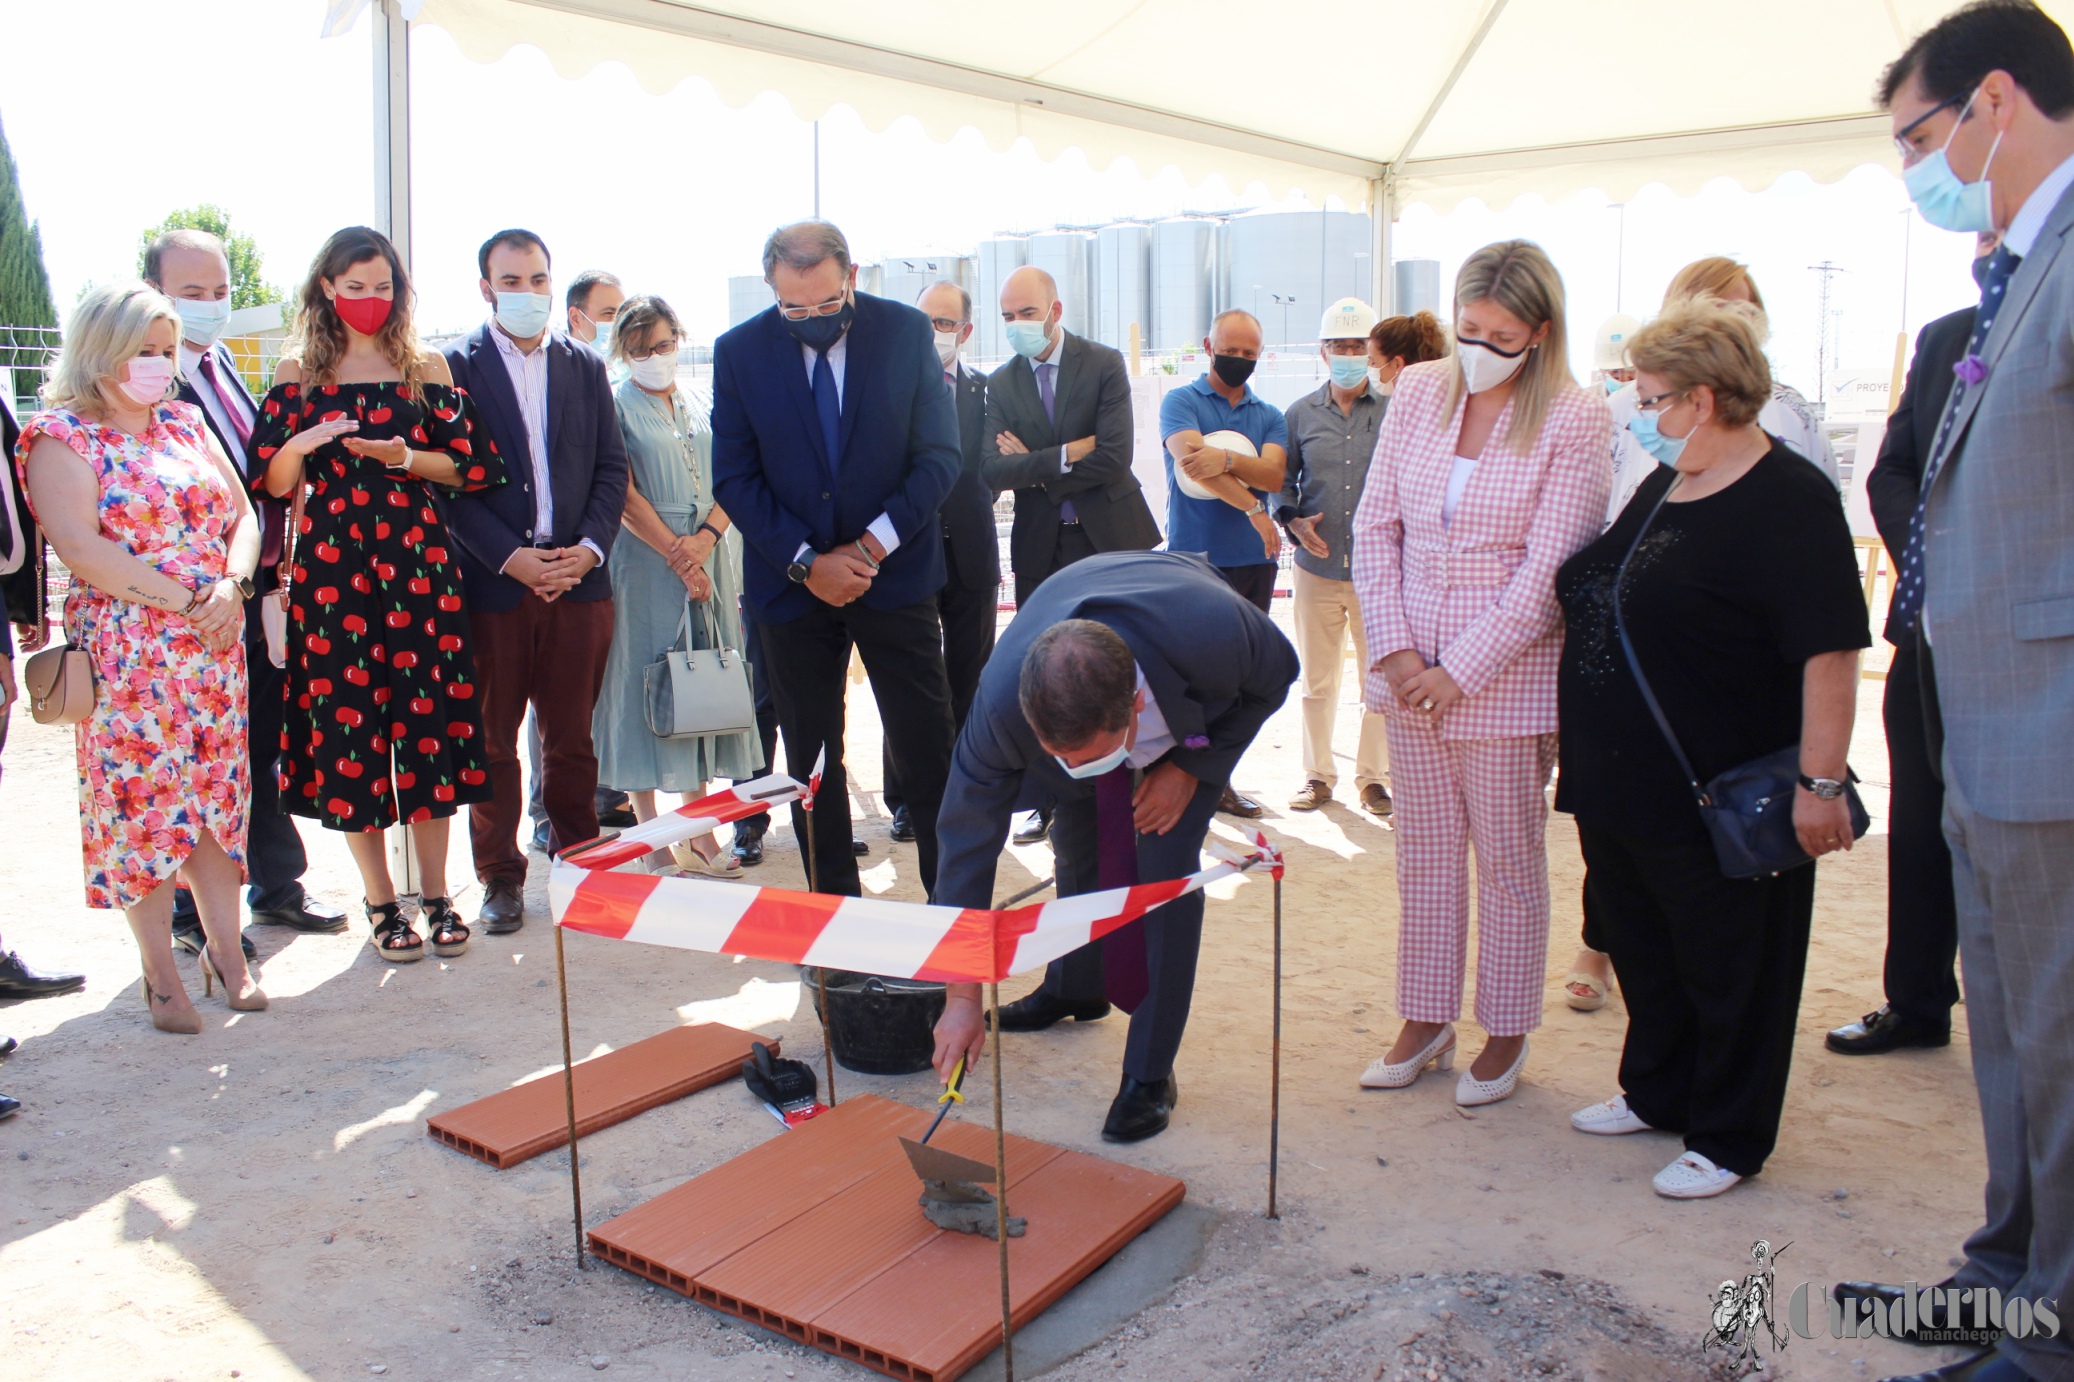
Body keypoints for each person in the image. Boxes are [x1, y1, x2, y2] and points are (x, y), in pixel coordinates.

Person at [1841, 10, 2074, 1380]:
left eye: (1921, 140)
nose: (1919, 175)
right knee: (2014, 1037)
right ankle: (2008, 1272)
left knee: (2062, 1040)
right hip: (1985, 722)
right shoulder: (2020, 262)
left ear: (1994, 98)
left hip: (2050, 728)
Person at [1553, 301, 1869, 1201]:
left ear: (1703, 396)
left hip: (1719, 784)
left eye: (1651, 396)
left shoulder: (1790, 498)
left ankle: (1729, 1135)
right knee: (1645, 945)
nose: (1639, 411)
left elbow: (1831, 653)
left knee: (1734, 964)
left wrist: (1822, 781)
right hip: (1624, 782)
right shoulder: (1669, 478)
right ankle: (1657, 1090)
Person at [1349, 240, 1610, 1106]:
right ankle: (1426, 1018)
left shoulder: (1574, 415)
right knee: (1422, 857)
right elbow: (1374, 526)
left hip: (1503, 680)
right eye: (1469, 328)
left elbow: (1551, 570)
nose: (1481, 347)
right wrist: (1393, 651)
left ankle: (1505, 1030)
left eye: (1502, 335)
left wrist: (1458, 669)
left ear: (1538, 333)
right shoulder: (1419, 389)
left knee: (1506, 861)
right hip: (1407, 667)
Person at [930, 550, 1298, 1141]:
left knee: (1162, 878)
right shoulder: (999, 707)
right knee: (1077, 840)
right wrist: (962, 995)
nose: (1078, 767)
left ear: (1134, 705)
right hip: (1083, 647)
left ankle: (1150, 1073)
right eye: (1062, 757)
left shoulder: (1215, 634)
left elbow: (1278, 674)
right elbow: (963, 850)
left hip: (1180, 716)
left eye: (1094, 754)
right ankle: (1076, 988)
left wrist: (1189, 767)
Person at [16, 283, 263, 1031]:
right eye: (144, 350)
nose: (159, 364)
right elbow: (81, 547)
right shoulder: (61, 437)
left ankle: (228, 956)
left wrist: (232, 583)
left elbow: (245, 514)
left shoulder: (185, 423)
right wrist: (190, 603)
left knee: (220, 806)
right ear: (102, 351)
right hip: (130, 660)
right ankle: (162, 976)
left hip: (216, 650)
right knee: (144, 816)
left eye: (166, 349)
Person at [255, 227, 505, 961]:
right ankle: (381, 902)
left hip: (418, 567)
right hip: (331, 576)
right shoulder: (297, 369)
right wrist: (302, 445)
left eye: (382, 286)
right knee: (349, 734)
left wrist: (405, 456)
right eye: (355, 286)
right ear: (327, 289)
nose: (370, 300)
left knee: (432, 730)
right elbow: (268, 481)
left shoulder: (423, 364)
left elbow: (470, 467)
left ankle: (436, 893)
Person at [710, 220, 959, 898]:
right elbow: (734, 478)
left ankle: (953, 912)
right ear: (772, 289)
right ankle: (836, 922)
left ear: (851, 277)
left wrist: (870, 546)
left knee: (928, 749)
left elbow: (940, 456)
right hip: (793, 594)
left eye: (825, 304)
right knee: (811, 761)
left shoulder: (906, 334)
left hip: (895, 577)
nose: (812, 319)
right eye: (795, 308)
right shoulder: (739, 353)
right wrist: (806, 563)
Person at [144, 228, 350, 957]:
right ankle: (190, 914)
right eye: (190, 293)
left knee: (259, 743)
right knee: (192, 755)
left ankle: (276, 886)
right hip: (191, 600)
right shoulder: (149, 380)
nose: (208, 306)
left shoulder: (222, 363)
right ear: (155, 294)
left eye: (218, 292)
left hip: (255, 583)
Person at [1828, 235, 1997, 1058]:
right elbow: (1891, 470)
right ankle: (1918, 1002)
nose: (1989, 245)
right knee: (1923, 824)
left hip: (2032, 637)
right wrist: (1938, 550)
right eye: (1984, 233)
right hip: (1928, 633)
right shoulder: (1944, 338)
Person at [445, 229, 630, 935]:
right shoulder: (452, 367)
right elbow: (448, 483)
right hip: (496, 584)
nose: (528, 293)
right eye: (512, 280)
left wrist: (587, 549)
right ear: (486, 286)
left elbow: (611, 468)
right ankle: (500, 879)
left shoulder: (584, 367)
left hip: (578, 581)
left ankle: (581, 866)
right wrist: (509, 558)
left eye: (539, 279)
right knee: (493, 740)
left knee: (572, 739)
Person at [982, 264, 1157, 844]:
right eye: (1007, 316)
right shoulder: (1001, 383)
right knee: (1047, 675)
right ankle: (1052, 799)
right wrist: (1062, 456)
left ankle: (1139, 777)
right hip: (1042, 549)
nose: (1016, 326)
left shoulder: (1104, 363)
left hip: (1112, 537)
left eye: (1026, 314)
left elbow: (1114, 456)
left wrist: (1037, 463)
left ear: (1055, 312)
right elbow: (993, 471)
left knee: (1126, 663)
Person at [591, 294, 758, 875]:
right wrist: (677, 554)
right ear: (623, 353)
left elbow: (733, 475)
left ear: (679, 339)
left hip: (709, 551)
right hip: (644, 560)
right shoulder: (614, 405)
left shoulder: (700, 398)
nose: (654, 356)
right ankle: (650, 832)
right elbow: (623, 493)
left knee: (703, 679)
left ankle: (699, 828)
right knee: (647, 679)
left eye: (662, 344)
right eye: (640, 349)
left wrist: (706, 542)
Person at [1277, 297, 1410, 817]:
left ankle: (1373, 779)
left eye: (1360, 346)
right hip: (1317, 568)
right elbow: (1283, 483)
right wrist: (1291, 519)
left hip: (1380, 574)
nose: (1351, 354)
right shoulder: (1299, 414)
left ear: (1373, 353)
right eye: (1341, 345)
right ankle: (1317, 775)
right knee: (1317, 680)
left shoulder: (1397, 410)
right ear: (1323, 351)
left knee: (1377, 682)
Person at [884, 281, 1004, 845]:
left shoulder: (987, 391)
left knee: (969, 678)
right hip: (909, 553)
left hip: (973, 554)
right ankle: (907, 799)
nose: (935, 332)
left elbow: (998, 468)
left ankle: (966, 791)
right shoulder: (890, 388)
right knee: (909, 680)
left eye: (946, 322)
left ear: (966, 330)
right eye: (926, 321)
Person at [1158, 308, 1289, 820]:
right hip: (1195, 559)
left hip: (1255, 564)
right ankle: (1180, 774)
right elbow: (1192, 464)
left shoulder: (1269, 414)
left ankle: (1218, 780)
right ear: (1208, 347)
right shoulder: (1181, 400)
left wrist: (1229, 460)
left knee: (1241, 681)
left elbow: (1275, 475)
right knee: (1189, 678)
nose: (1238, 360)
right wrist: (1254, 507)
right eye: (1229, 351)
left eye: (1248, 354)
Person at [1604, 260, 1840, 519]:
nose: (1722, 328)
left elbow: (1823, 503)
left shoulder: (1791, 411)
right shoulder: (1619, 411)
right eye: (1710, 310)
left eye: (1740, 312)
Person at [565, 270, 624, 356]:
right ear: (575, 318)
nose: (620, 322)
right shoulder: (550, 366)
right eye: (609, 313)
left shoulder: (629, 367)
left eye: (623, 314)